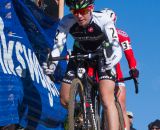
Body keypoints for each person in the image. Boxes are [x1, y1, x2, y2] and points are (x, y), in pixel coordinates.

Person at [42, 0, 123, 129]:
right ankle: (81, 110)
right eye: (75, 12)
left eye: (83, 11)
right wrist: (52, 62)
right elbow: (57, 46)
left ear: (91, 9)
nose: (79, 16)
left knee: (106, 98)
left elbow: (114, 44)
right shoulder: (67, 21)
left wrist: (115, 55)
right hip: (80, 53)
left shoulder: (103, 19)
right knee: (64, 99)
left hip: (102, 54)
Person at [102, 8, 139, 130]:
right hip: (96, 71)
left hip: (116, 73)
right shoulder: (95, 33)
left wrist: (133, 68)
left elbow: (129, 53)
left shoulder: (121, 35)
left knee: (121, 105)